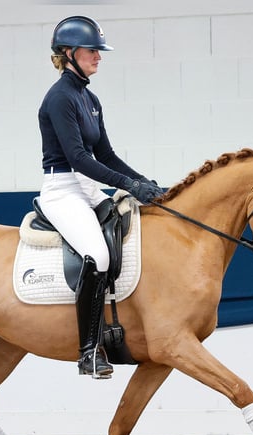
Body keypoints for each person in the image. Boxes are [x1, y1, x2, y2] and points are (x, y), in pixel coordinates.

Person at [38, 15, 164, 380]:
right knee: (97, 254)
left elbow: (105, 155)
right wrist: (127, 183)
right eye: (92, 50)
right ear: (69, 52)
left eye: (98, 51)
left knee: (128, 231)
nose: (98, 57)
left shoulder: (89, 98)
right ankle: (88, 352)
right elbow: (78, 158)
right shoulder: (60, 97)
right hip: (62, 188)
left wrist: (142, 183)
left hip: (87, 186)